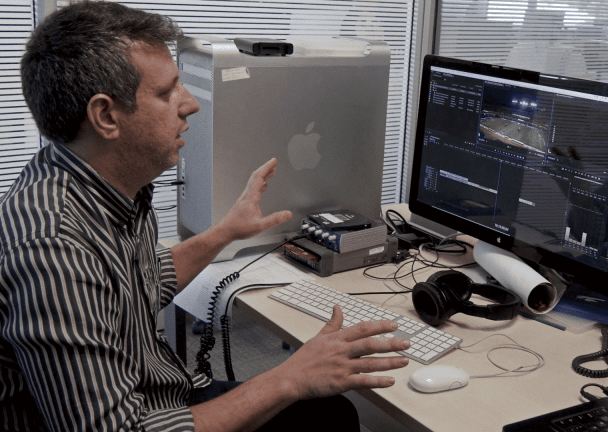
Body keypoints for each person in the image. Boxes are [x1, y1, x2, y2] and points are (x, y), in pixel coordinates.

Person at [0, 1, 410, 431]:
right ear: (105, 116)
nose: (191, 104)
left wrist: (226, 233)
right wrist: (288, 378)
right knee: (323, 412)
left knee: (329, 413)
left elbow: (139, 284)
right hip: (141, 417)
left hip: (160, 392)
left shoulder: (102, 185)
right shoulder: (53, 249)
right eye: (166, 93)